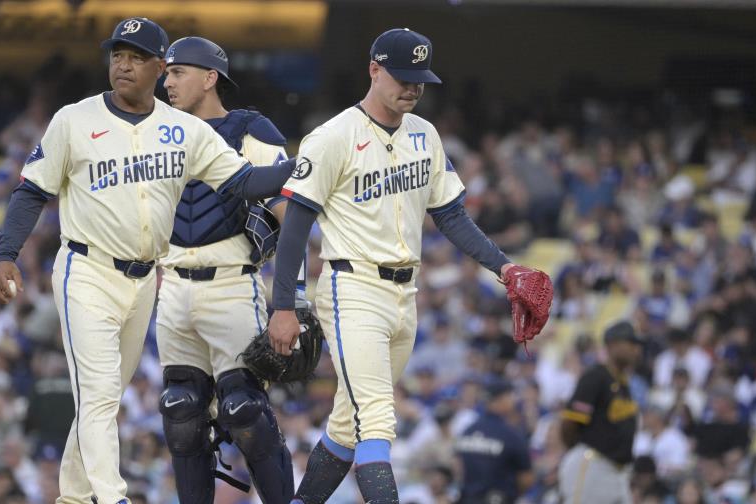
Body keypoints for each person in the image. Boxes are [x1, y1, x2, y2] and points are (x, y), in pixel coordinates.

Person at [0, 18, 295, 504]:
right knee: (104, 392)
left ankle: (73, 496)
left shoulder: (183, 129)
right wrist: (7, 254)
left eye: (135, 57)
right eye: (116, 55)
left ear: (159, 66)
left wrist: (301, 170)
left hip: (145, 280)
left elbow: (241, 183)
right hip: (86, 270)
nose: (122, 65)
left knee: (102, 400)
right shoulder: (75, 118)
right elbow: (31, 191)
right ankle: (112, 497)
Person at [266, 28, 538, 503]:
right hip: (352, 288)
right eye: (403, 77)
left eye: (420, 80)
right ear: (375, 69)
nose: (412, 88)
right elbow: (296, 227)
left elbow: (451, 215)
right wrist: (284, 305)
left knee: (348, 424)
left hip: (404, 293)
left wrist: (505, 268)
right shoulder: (333, 137)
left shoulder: (424, 134)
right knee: (377, 418)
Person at [157, 36, 298, 504]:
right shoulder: (155, 130)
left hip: (232, 283)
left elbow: (287, 209)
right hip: (173, 286)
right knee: (181, 410)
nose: (167, 81)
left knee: (244, 411)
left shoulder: (248, 128)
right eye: (167, 72)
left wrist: (290, 297)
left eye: (178, 72)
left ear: (210, 77)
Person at [558, 320, 642, 504]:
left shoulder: (623, 384)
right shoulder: (596, 376)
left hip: (618, 471)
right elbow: (569, 423)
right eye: (631, 343)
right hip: (593, 463)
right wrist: (580, 451)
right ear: (613, 345)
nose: (636, 349)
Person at [454, 381, 533, 504]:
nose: (513, 400)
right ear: (501, 399)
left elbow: (458, 468)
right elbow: (526, 478)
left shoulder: (468, 430)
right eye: (510, 396)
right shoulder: (511, 435)